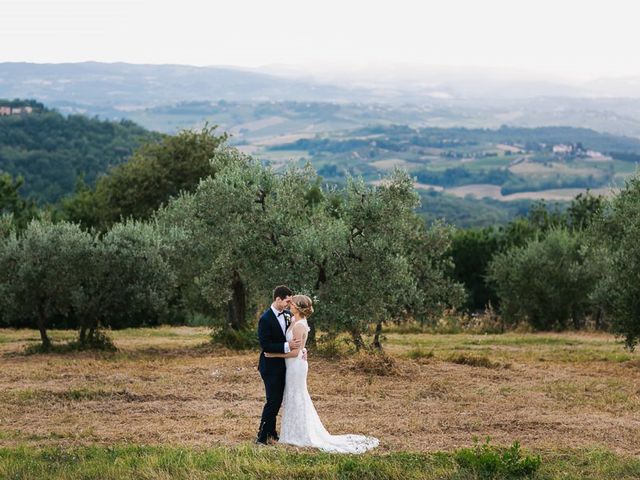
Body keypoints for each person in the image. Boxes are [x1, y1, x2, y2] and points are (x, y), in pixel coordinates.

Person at [265, 294, 379, 453]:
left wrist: (273, 354)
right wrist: (304, 349)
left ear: (297, 308)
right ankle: (292, 432)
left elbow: (294, 352)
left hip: (295, 366)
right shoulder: (295, 321)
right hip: (292, 365)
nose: (289, 305)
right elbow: (300, 347)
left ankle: (300, 434)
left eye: (292, 304)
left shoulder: (299, 326)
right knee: (292, 396)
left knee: (297, 396)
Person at [256, 285, 302, 444]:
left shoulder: (289, 315)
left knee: (278, 400)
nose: (289, 305)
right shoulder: (265, 319)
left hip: (286, 365)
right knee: (273, 401)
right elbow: (265, 345)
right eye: (287, 301)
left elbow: (297, 338)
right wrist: (288, 346)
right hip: (270, 366)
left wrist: (303, 350)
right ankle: (261, 436)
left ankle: (272, 432)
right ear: (278, 299)